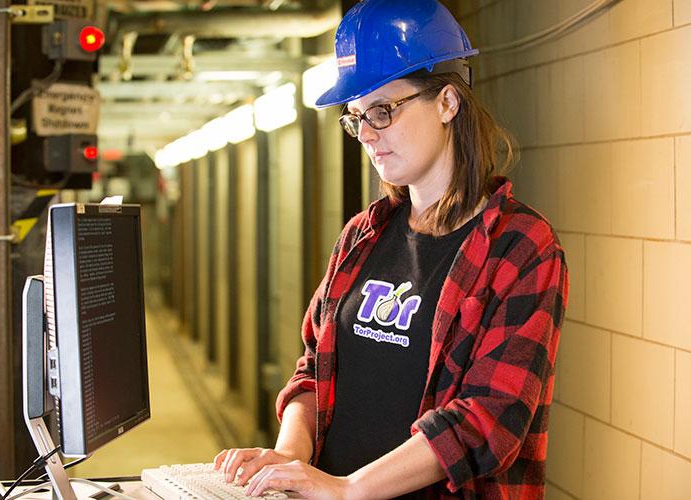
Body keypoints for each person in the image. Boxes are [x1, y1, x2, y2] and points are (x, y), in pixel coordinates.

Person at [214, 0, 569, 498]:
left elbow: (488, 419)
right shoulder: (363, 235)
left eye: (382, 111)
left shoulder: (520, 247)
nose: (365, 134)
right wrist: (291, 457)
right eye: (355, 116)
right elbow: (314, 367)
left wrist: (347, 489)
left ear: (448, 102)